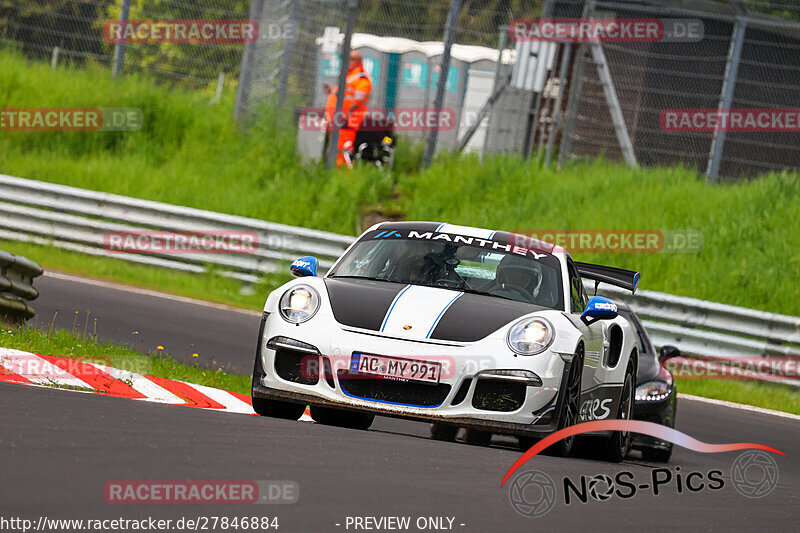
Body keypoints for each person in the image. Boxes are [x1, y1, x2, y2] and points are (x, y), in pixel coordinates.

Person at [324, 49, 373, 167]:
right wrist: (330, 91)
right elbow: (344, 94)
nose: (347, 62)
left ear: (359, 61)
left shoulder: (362, 78)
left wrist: (346, 115)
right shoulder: (349, 75)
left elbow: (358, 99)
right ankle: (335, 170)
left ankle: (344, 173)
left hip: (348, 120)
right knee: (335, 146)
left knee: (343, 147)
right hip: (337, 119)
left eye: (351, 59)